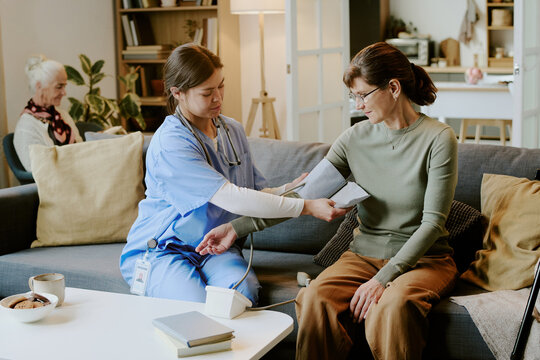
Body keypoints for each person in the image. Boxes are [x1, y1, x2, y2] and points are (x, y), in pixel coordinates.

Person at [197, 42, 459, 359]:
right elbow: (303, 196)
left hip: (424, 260)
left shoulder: (438, 138)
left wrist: (383, 279)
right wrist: (236, 228)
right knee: (314, 298)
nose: (358, 105)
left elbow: (433, 224)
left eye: (363, 95)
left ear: (393, 87)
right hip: (363, 255)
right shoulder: (354, 139)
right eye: (354, 97)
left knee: (393, 306)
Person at [119, 44, 346, 305]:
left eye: (221, 86)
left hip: (214, 247)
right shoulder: (172, 143)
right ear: (177, 93)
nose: (218, 98)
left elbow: (254, 193)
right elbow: (231, 197)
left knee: (241, 294)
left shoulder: (232, 130)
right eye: (207, 93)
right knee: (192, 303)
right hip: (163, 250)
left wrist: (288, 189)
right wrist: (305, 206)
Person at [14, 55, 82, 172]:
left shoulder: (63, 115)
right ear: (39, 86)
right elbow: (36, 169)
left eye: (64, 86)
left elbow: (81, 149)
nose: (64, 93)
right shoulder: (25, 127)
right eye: (59, 87)